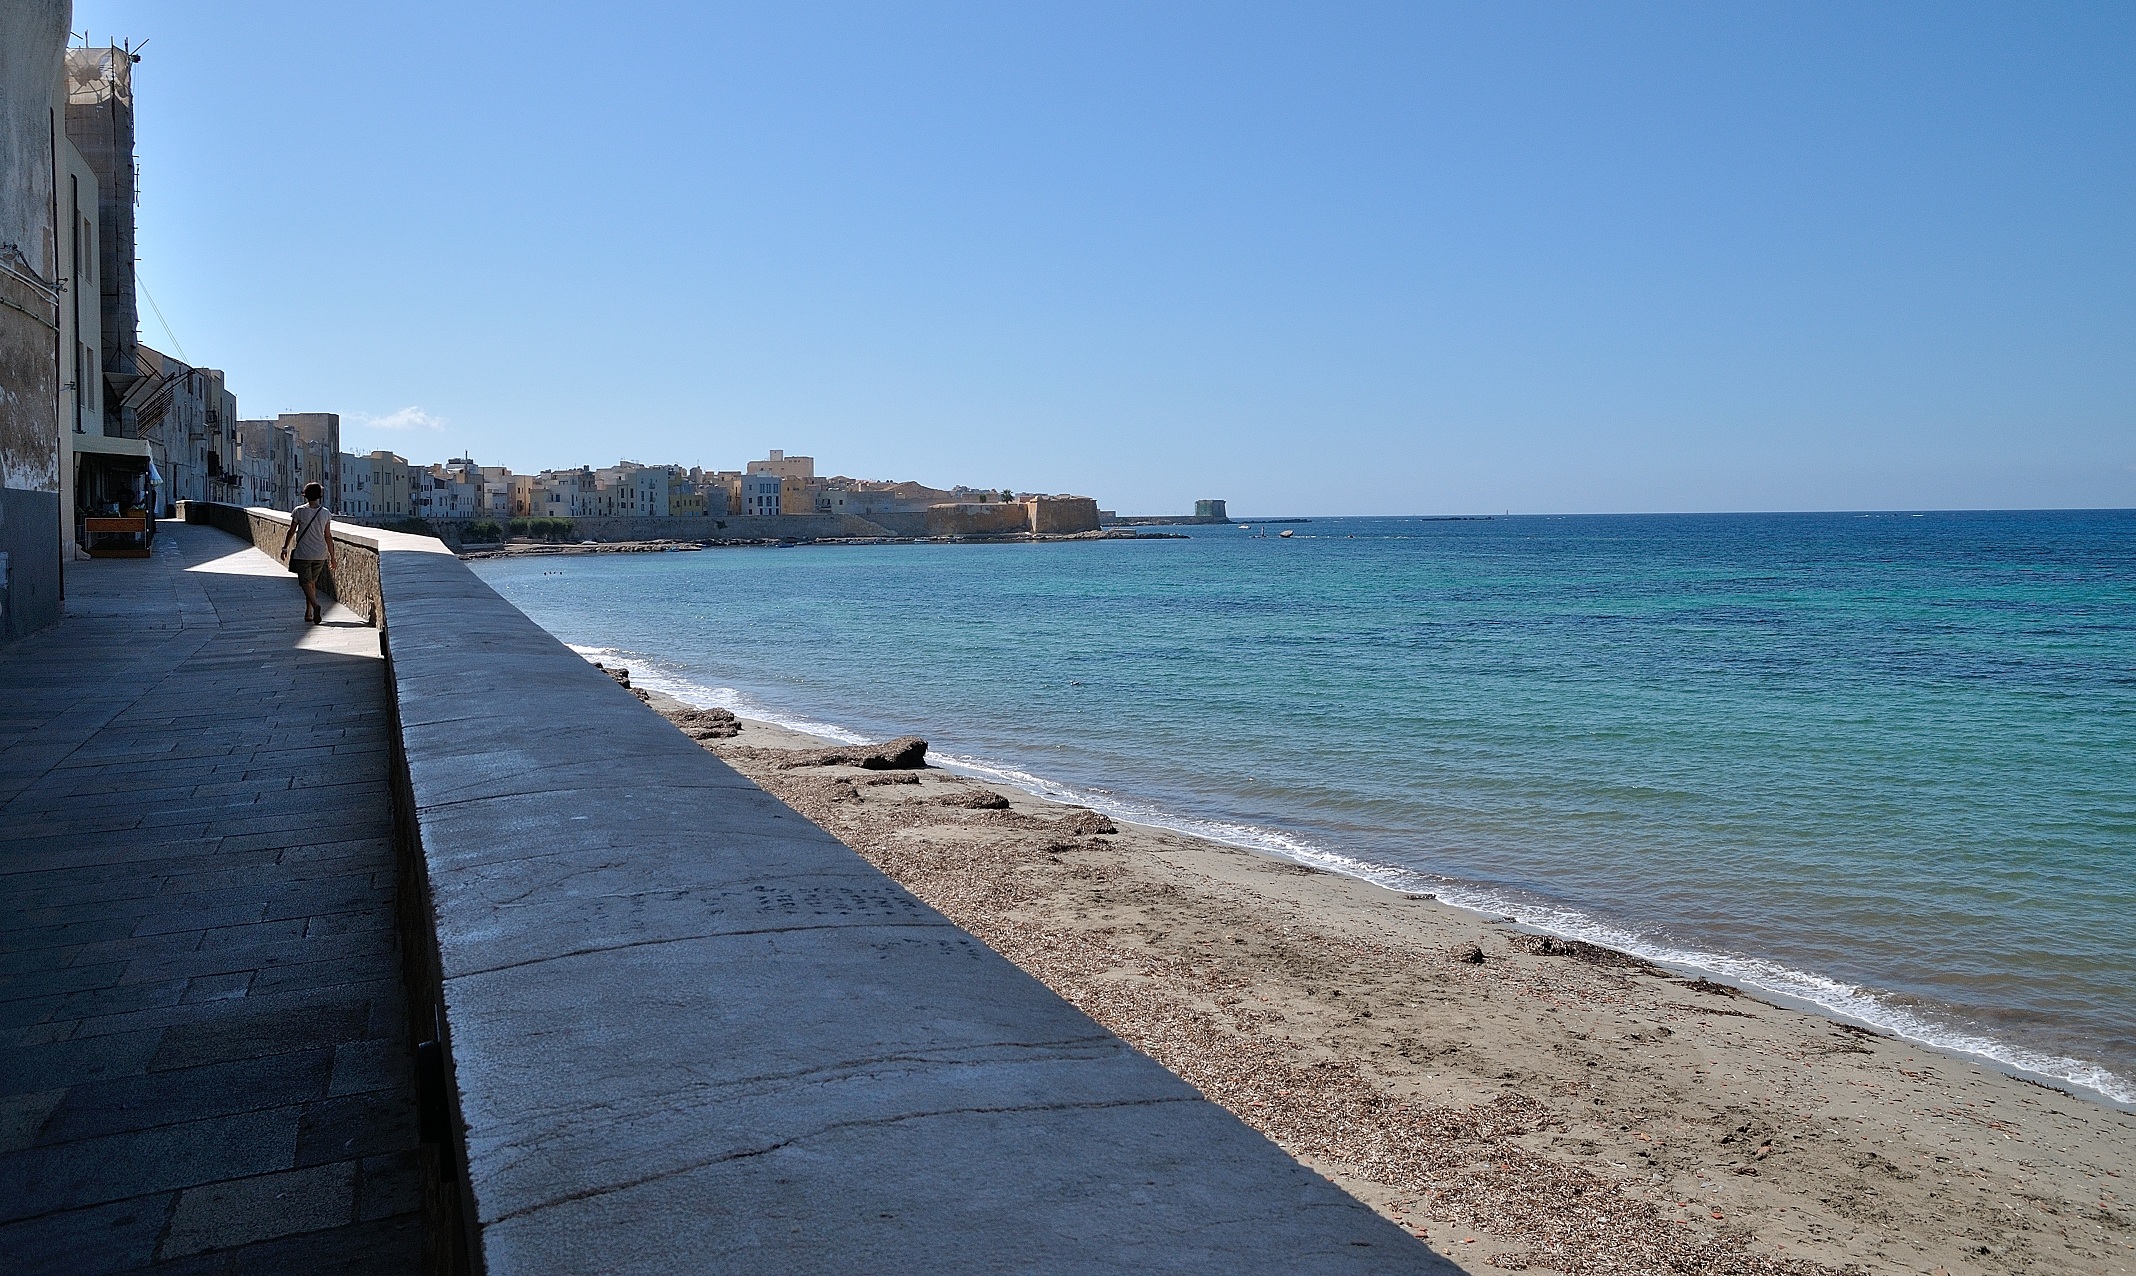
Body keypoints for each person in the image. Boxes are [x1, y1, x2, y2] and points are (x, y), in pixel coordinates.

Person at [279, 482, 339, 624]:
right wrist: (332, 557)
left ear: (305, 495)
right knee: (312, 583)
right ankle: (309, 613)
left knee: (305, 582)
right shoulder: (325, 513)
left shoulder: (299, 511)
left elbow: (291, 531)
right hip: (320, 554)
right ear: (320, 495)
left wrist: (285, 547)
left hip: (303, 553)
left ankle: (316, 605)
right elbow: (328, 536)